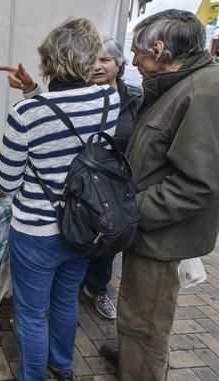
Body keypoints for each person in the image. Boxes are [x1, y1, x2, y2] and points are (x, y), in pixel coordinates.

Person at [100, 9, 219, 380]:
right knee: (137, 309)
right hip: (154, 226)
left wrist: (133, 209)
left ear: (160, 49)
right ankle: (133, 358)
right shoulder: (184, 82)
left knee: (145, 320)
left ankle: (141, 368)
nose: (131, 60)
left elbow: (203, 183)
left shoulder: (205, 89)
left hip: (163, 232)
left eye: (137, 50)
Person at [0, 18, 120, 381]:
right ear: (88, 61)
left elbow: (6, 181)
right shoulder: (107, 100)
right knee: (65, 299)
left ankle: (32, 377)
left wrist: (33, 94)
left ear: (48, 63)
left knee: (32, 312)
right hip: (85, 226)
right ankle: (62, 365)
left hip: (35, 231)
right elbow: (69, 122)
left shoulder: (26, 113)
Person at [80, 37, 143, 320]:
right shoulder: (79, 96)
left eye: (104, 60)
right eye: (91, 60)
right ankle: (73, 287)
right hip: (83, 183)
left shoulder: (135, 98)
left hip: (117, 184)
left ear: (119, 63)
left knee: (109, 241)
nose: (96, 66)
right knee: (80, 237)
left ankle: (98, 289)